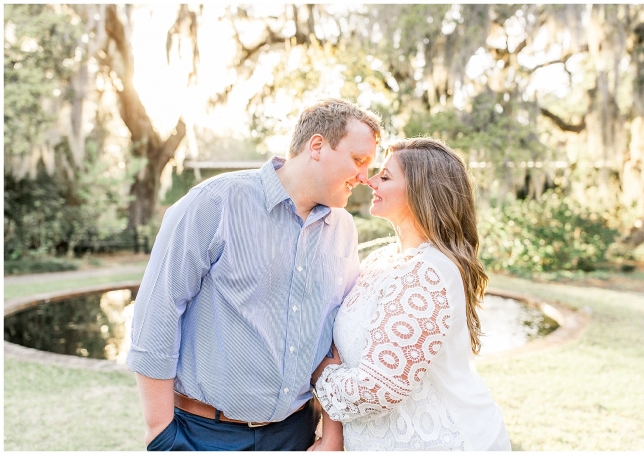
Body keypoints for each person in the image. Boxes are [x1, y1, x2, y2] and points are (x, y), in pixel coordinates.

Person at [126, 98, 381, 451]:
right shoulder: (213, 203)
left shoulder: (343, 230)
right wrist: (160, 432)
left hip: (297, 434)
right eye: (359, 160)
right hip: (204, 435)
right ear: (318, 146)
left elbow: (335, 335)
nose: (365, 177)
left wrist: (331, 434)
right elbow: (158, 311)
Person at [310, 138, 511, 451]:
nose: (369, 180)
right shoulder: (383, 259)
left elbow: (377, 390)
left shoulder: (427, 273)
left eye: (386, 177)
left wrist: (319, 373)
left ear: (422, 192)